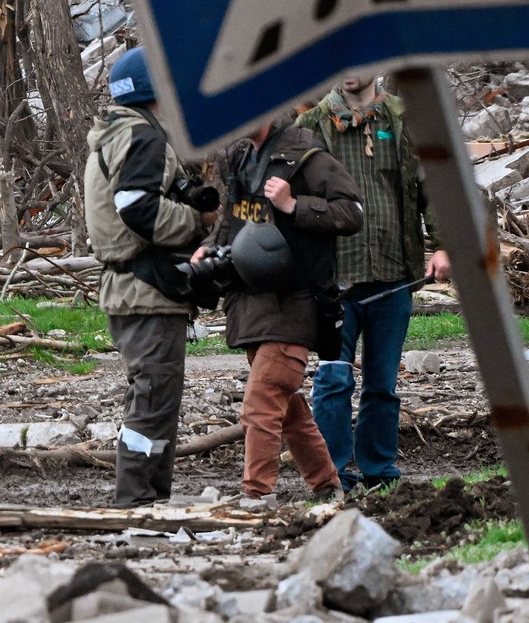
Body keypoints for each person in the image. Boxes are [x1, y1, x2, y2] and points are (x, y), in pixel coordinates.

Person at [196, 115, 363, 502]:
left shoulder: (308, 155)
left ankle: (257, 496)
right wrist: (211, 246)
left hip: (296, 301)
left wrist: (293, 204)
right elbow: (233, 220)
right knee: (286, 407)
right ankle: (327, 485)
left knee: (262, 402)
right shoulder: (239, 156)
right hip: (250, 302)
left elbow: (352, 212)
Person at [297, 75, 450, 492]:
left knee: (382, 384)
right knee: (333, 381)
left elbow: (432, 187)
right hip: (334, 283)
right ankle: (333, 476)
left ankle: (380, 472)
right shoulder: (310, 126)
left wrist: (443, 245)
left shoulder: (404, 120)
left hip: (393, 275)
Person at [85, 47, 220, 507]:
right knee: (153, 400)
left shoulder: (114, 134)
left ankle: (149, 495)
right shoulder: (143, 138)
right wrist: (196, 223)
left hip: (129, 290)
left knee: (154, 399)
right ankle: (135, 498)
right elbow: (136, 208)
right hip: (146, 291)